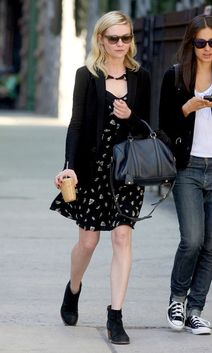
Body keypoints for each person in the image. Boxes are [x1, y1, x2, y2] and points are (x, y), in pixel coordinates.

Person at [50, 10, 150, 345]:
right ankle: (73, 287)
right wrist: (68, 165)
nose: (121, 44)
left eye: (126, 38)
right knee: (88, 242)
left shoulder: (141, 77)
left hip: (126, 173)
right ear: (100, 39)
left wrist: (131, 116)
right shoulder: (87, 75)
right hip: (92, 172)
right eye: (114, 38)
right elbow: (76, 125)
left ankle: (115, 316)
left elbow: (150, 129)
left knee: (122, 238)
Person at [159, 14, 212, 335]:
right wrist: (186, 109)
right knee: (192, 240)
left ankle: (195, 309)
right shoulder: (175, 76)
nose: (208, 49)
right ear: (191, 43)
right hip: (188, 168)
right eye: (201, 43)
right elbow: (163, 125)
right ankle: (177, 299)